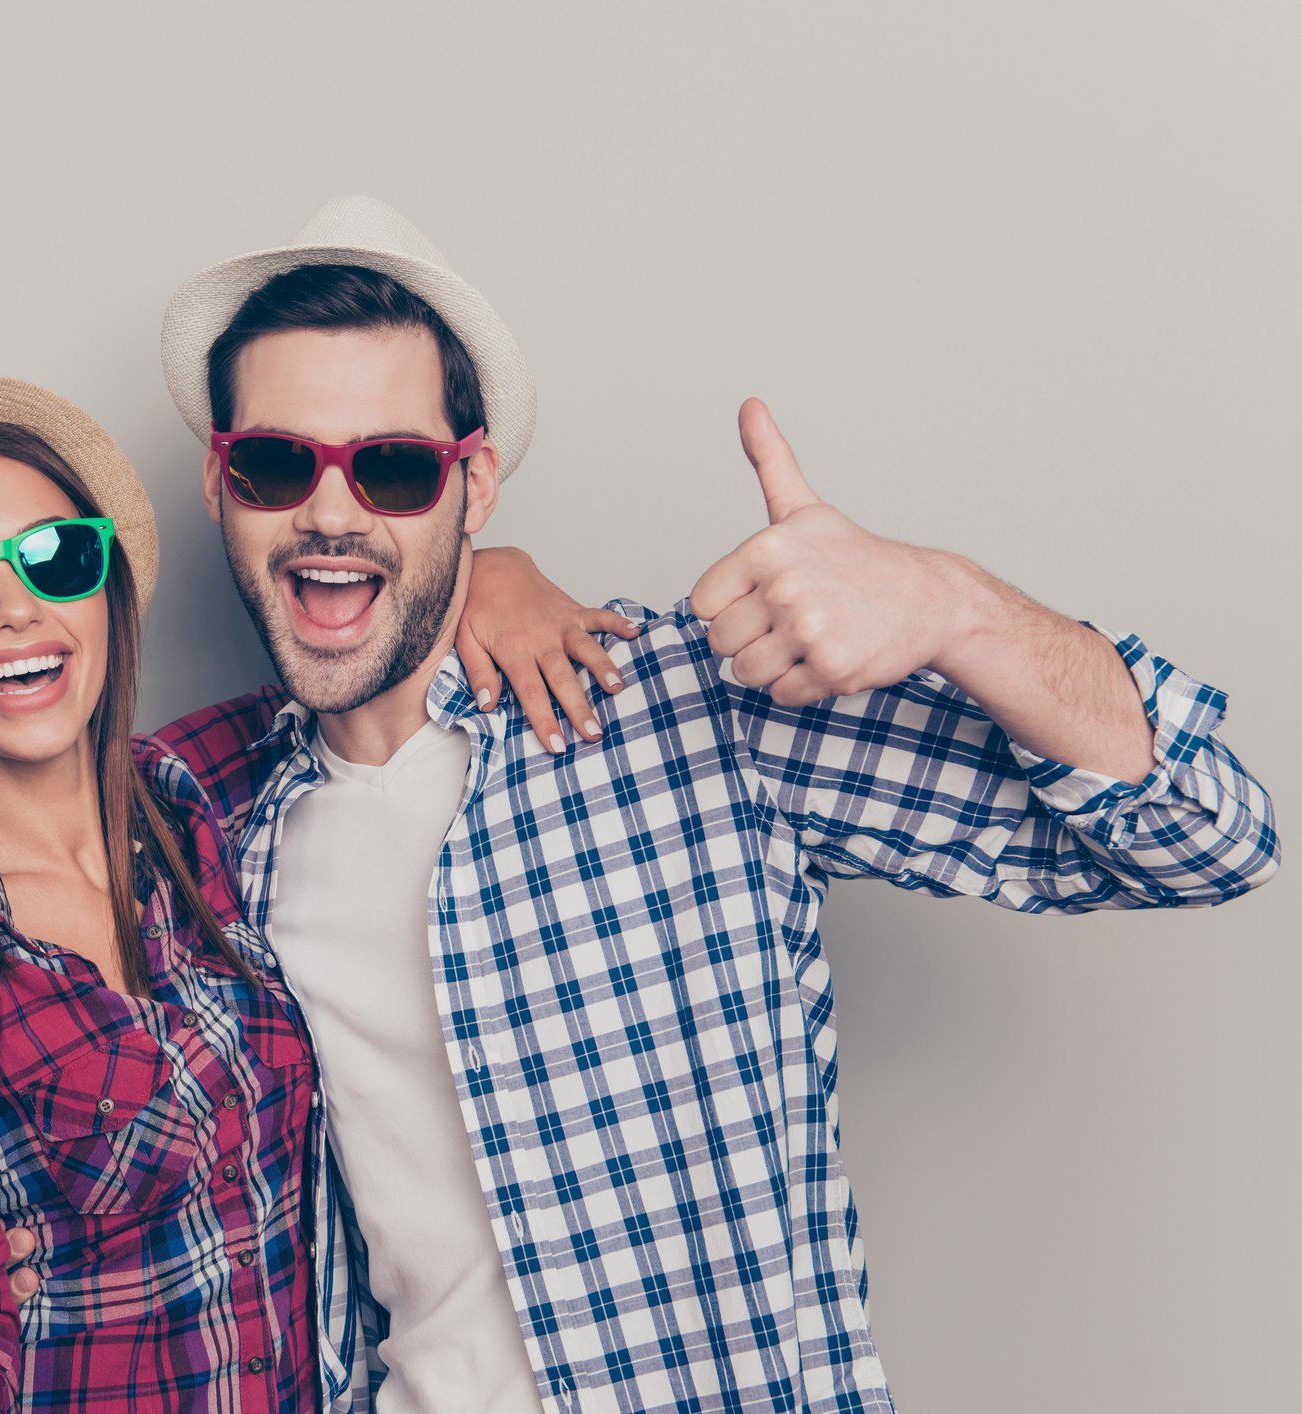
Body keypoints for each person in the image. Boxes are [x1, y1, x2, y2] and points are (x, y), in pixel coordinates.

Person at [148, 197, 1281, 1414]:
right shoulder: (211, 829)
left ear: (472, 487)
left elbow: (1207, 835)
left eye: (391, 467)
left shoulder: (691, 715)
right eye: (276, 464)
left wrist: (955, 607)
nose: (329, 513)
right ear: (218, 483)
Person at [0, 373, 636, 1413]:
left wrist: (495, 574)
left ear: (102, 587)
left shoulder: (210, 790)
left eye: (54, 557)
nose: (13, 611)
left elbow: (374, 649)